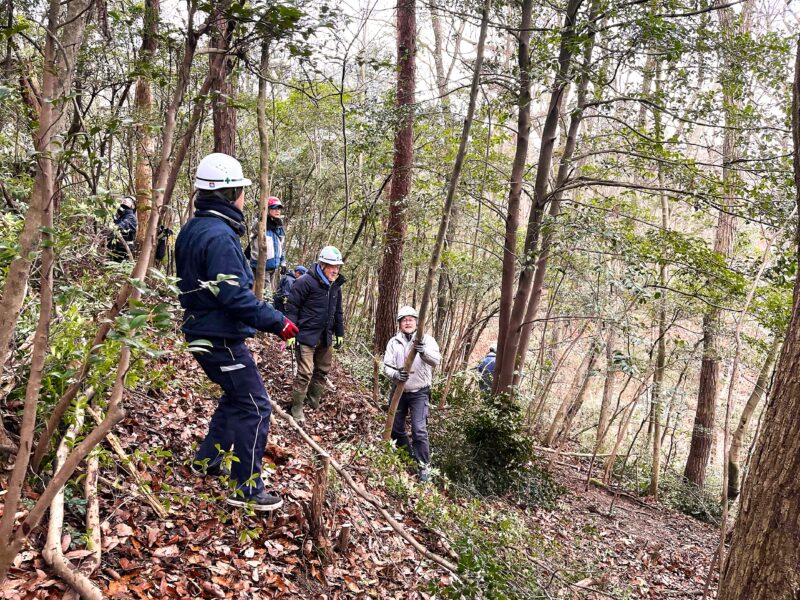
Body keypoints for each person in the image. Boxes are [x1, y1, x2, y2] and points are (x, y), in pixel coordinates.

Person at [175, 152, 298, 512]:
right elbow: (233, 295)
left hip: (203, 330)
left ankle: (207, 461)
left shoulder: (194, 229)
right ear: (228, 194)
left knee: (235, 398)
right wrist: (279, 322)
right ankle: (246, 488)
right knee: (256, 406)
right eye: (241, 190)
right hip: (219, 337)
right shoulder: (218, 236)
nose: (246, 197)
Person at [285, 246, 345, 422]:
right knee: (305, 372)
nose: (335, 270)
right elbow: (292, 308)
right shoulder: (304, 282)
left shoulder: (336, 287)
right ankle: (296, 408)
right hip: (305, 335)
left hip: (325, 336)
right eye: (332, 266)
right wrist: (289, 333)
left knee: (323, 371)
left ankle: (313, 401)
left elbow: (338, 311)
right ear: (322, 264)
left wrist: (339, 332)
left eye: (338, 267)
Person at [382, 306, 441, 482]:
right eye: (404, 320)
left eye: (411, 319)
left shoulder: (427, 340)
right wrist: (395, 374)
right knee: (395, 428)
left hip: (419, 391)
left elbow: (436, 360)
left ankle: (424, 466)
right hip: (399, 390)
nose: (407, 322)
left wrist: (423, 352)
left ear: (417, 322)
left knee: (419, 429)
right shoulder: (394, 342)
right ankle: (408, 457)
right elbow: (386, 366)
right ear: (399, 324)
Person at [249, 196, 286, 293]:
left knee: (266, 294)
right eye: (274, 208)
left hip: (273, 268)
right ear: (267, 209)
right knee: (262, 294)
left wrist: (283, 262)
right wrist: (262, 214)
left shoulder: (279, 226)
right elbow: (254, 228)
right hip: (261, 268)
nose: (278, 211)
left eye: (279, 208)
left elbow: (281, 246)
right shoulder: (260, 223)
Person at [108, 196, 137, 261]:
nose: (125, 200)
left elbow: (122, 225)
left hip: (124, 251)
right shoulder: (120, 217)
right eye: (124, 199)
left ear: (133, 206)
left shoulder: (131, 217)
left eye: (129, 200)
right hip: (115, 250)